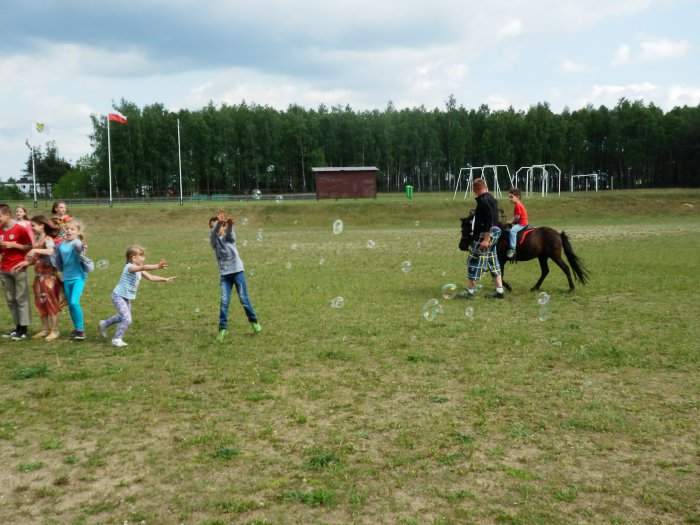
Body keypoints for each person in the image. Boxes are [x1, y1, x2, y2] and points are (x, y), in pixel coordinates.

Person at [99, 245, 175, 348]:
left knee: (122, 316)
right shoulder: (130, 267)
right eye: (142, 256)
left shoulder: (139, 269)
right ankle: (116, 339)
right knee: (127, 319)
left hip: (126, 297)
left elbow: (151, 277)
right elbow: (143, 267)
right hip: (118, 296)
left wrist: (165, 279)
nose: (144, 258)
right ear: (134, 258)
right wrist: (157, 266)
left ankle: (104, 324)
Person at [210, 211, 262, 342]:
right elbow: (213, 234)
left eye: (218, 225)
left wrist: (230, 225)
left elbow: (230, 234)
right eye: (213, 226)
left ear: (224, 227)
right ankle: (222, 329)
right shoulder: (214, 242)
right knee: (224, 302)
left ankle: (254, 322)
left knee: (244, 299)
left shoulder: (228, 237)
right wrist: (219, 224)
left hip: (238, 272)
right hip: (225, 276)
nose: (215, 228)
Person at [12, 216, 65, 341]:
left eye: (33, 225)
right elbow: (37, 258)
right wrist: (25, 263)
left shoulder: (48, 239)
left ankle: (54, 330)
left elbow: (51, 251)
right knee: (41, 304)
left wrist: (35, 249)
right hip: (38, 277)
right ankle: (45, 329)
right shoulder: (38, 239)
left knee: (51, 303)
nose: (32, 228)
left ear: (42, 225)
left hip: (49, 278)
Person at [465, 178, 506, 299]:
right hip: (495, 233)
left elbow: (489, 220)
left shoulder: (483, 201)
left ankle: (470, 292)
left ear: (475, 189)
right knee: (493, 260)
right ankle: (499, 291)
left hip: (485, 235)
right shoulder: (491, 198)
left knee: (473, 260)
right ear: (485, 187)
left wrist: (486, 239)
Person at [0, 203, 33, 340]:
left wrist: (14, 245)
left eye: (0, 216)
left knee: (21, 298)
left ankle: (24, 329)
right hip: (4, 268)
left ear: (8, 215)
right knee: (10, 299)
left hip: (18, 268)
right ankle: (17, 327)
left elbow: (29, 246)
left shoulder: (20, 229)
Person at [53, 218, 88, 340]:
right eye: (67, 229)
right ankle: (77, 329)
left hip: (78, 277)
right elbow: (58, 257)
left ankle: (81, 331)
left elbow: (79, 247)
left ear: (77, 232)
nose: (68, 231)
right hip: (67, 278)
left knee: (74, 302)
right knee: (71, 305)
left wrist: (82, 247)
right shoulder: (62, 245)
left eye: (72, 229)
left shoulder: (76, 243)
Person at [506, 188, 529, 259]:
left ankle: (512, 249)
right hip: (522, 222)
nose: (510, 199)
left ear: (518, 197)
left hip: (522, 223)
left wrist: (510, 222)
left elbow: (517, 217)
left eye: (511, 197)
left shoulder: (517, 205)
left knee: (512, 231)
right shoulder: (519, 204)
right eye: (509, 197)